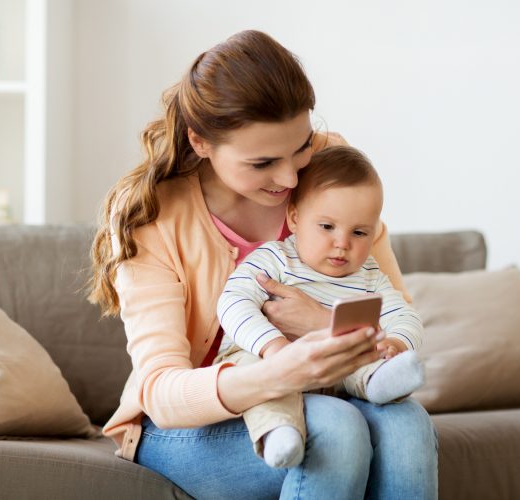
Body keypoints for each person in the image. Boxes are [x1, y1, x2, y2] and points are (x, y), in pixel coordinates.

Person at [89, 30, 437, 499]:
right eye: (263, 163)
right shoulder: (150, 214)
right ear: (201, 142)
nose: (291, 177)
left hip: (327, 392)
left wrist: (322, 324)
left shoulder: (330, 166)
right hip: (189, 424)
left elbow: (391, 304)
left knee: (407, 423)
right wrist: (283, 369)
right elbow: (162, 391)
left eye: (301, 146)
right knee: (335, 429)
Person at [217, 145, 426, 469]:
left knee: (363, 352)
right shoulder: (275, 259)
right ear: (295, 217)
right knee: (256, 373)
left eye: (359, 232)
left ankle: (382, 382)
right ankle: (279, 431)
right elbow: (233, 303)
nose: (342, 243)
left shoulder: (369, 275)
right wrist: (273, 347)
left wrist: (396, 343)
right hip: (267, 357)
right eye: (327, 227)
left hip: (335, 366)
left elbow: (404, 316)